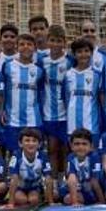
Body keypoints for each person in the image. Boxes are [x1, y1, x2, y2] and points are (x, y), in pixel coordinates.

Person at [1, 33, 44, 154]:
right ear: (17, 47)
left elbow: (41, 93)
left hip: (33, 119)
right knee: (13, 153)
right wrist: (1, 110)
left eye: (29, 44)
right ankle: (12, 173)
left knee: (34, 153)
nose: (26, 47)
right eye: (22, 44)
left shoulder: (39, 70)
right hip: (12, 119)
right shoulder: (8, 66)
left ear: (35, 48)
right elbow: (2, 91)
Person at [38, 25, 72, 181]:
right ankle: (53, 182)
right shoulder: (42, 61)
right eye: (53, 40)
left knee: (65, 148)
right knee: (51, 148)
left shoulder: (69, 61)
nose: (56, 44)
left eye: (59, 41)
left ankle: (64, 180)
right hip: (48, 112)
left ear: (64, 43)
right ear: (47, 41)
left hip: (66, 113)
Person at [64, 37, 103, 144]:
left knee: (92, 156)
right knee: (74, 156)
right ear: (74, 54)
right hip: (72, 125)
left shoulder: (97, 75)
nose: (83, 54)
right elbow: (66, 98)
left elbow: (100, 100)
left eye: (86, 51)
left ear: (91, 53)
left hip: (91, 125)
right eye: (79, 51)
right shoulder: (68, 75)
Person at [7, 128, 54, 208]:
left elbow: (48, 178)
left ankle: (42, 199)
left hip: (34, 187)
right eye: (27, 140)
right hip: (19, 187)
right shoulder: (16, 156)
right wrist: (11, 203)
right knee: (21, 200)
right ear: (20, 143)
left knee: (33, 200)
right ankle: (11, 198)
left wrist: (51, 202)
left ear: (39, 144)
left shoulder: (43, 156)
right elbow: (13, 178)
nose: (31, 144)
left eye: (34, 141)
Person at [61, 128, 105, 206]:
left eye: (84, 144)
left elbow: (95, 181)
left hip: (91, 190)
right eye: (77, 144)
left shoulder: (94, 157)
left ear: (91, 146)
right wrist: (75, 202)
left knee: (93, 182)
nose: (80, 147)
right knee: (66, 197)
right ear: (71, 146)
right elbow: (71, 178)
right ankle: (76, 202)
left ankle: (98, 200)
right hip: (78, 189)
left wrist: (102, 202)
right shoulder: (71, 157)